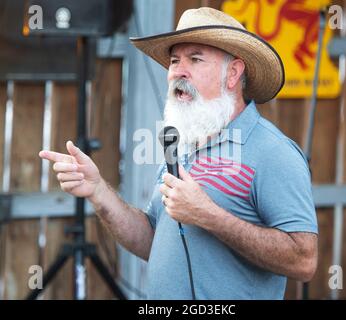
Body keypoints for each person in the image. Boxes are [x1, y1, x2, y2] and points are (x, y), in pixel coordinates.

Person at [39, 7, 318, 299]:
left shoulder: (273, 152)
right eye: (174, 61)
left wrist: (210, 216)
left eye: (195, 59)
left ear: (233, 73)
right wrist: (98, 191)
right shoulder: (184, 144)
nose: (177, 71)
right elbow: (151, 240)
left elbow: (303, 261)